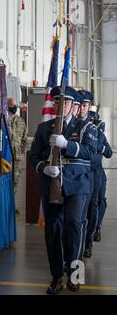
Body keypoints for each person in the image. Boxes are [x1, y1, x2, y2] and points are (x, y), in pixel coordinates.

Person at [29, 86, 97, 295]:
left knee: (74, 225)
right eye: (58, 101)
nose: (61, 105)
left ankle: (75, 274)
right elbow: (34, 156)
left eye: (66, 102)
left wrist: (67, 144)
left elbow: (91, 152)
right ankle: (56, 276)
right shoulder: (44, 128)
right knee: (53, 230)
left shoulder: (85, 127)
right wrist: (44, 168)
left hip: (78, 183)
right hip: (51, 183)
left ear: (73, 106)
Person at [78, 91, 113, 258]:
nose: (81, 109)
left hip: (94, 173)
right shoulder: (72, 125)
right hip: (77, 174)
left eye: (84, 105)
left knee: (94, 207)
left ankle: (88, 241)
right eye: (80, 105)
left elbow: (108, 152)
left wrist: (98, 145)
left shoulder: (97, 126)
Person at [7, 98, 28, 205]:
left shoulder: (20, 121)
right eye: (12, 105)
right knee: (4, 181)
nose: (14, 107)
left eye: (15, 105)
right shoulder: (3, 121)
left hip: (17, 158)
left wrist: (22, 152)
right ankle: (4, 204)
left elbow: (24, 140)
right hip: (5, 158)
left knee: (15, 181)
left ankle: (11, 204)